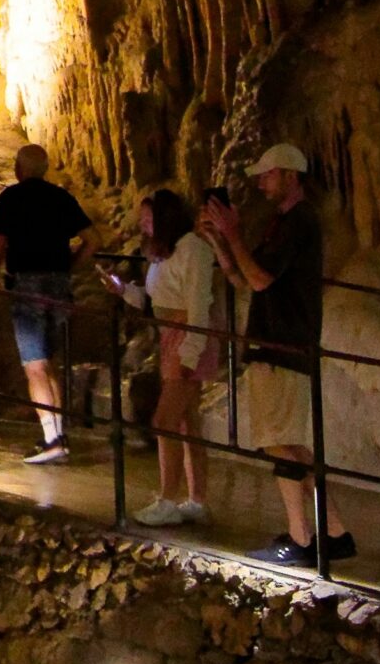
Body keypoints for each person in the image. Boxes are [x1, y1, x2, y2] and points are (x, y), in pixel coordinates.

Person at [203, 144, 354, 569]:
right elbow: (244, 279)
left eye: (268, 175)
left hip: (282, 346)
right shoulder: (284, 223)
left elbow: (262, 278)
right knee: (288, 444)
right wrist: (219, 240)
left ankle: (300, 537)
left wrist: (232, 232)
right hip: (278, 344)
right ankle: (335, 533)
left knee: (278, 443)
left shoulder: (299, 222)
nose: (261, 182)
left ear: (290, 174)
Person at [101, 188, 219, 524]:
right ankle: (196, 500)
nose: (144, 225)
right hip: (171, 336)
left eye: (149, 220)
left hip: (187, 340)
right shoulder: (164, 254)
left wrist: (190, 352)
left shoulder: (193, 250)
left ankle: (168, 500)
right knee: (186, 422)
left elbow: (197, 307)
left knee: (165, 420)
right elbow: (156, 301)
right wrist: (124, 290)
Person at [0, 143, 97, 465]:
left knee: (34, 365)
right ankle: (58, 435)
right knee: (49, 363)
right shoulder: (61, 197)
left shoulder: (12, 198)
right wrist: (69, 267)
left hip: (28, 285)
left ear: (19, 168)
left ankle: (51, 440)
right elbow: (93, 239)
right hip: (59, 287)